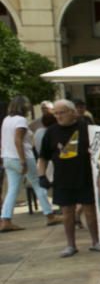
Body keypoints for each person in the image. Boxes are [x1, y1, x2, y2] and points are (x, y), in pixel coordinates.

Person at [38, 100, 100, 256]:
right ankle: (71, 245)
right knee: (67, 213)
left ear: (73, 112)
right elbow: (43, 157)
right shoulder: (51, 132)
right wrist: (41, 175)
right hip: (62, 179)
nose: (59, 116)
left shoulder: (87, 128)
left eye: (62, 112)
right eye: (56, 113)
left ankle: (96, 241)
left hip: (85, 176)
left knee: (90, 211)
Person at [2, 96, 60, 231]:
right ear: (23, 107)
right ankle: (50, 215)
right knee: (38, 184)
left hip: (8, 158)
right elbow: (18, 140)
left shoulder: (7, 119)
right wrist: (23, 161)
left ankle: (6, 220)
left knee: (12, 189)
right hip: (22, 158)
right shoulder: (20, 120)